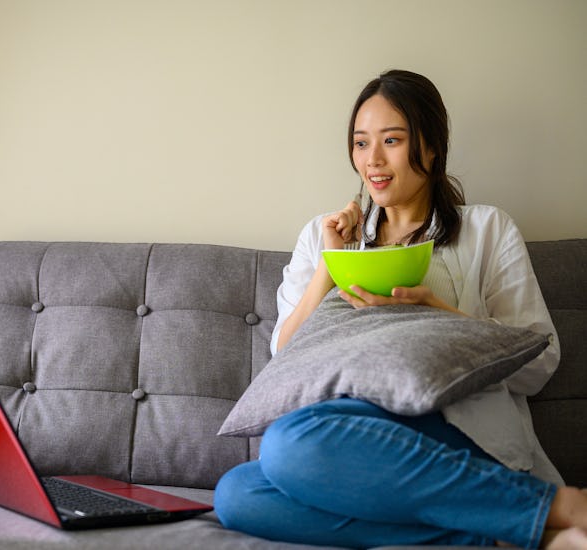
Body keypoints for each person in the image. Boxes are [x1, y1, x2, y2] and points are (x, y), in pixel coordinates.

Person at [214, 70, 587, 549]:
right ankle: (510, 533)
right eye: (361, 143)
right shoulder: (320, 235)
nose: (373, 161)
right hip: (349, 432)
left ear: (430, 147)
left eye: (391, 140)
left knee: (288, 444)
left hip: (453, 425)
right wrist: (332, 264)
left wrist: (439, 313)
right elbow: (285, 359)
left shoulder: (487, 230)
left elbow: (540, 362)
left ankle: (562, 507)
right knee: (237, 494)